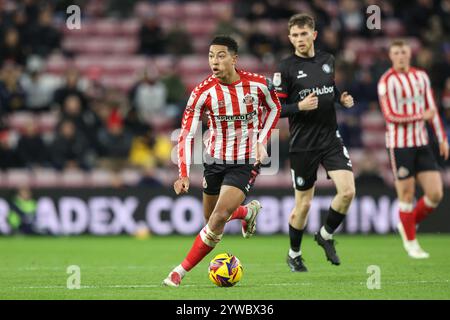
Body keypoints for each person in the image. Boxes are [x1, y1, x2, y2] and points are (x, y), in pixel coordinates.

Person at [162, 35, 281, 287]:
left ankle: (178, 272)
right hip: (214, 160)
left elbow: (275, 108)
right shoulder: (202, 92)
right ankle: (248, 212)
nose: (214, 61)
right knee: (212, 221)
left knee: (217, 218)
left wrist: (261, 140)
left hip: (245, 161)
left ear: (234, 58)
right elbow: (186, 133)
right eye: (210, 56)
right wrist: (183, 173)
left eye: (220, 55)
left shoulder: (259, 85)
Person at [274, 14, 355, 272]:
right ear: (290, 38)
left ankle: (325, 235)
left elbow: (329, 90)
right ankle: (294, 254)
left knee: (348, 192)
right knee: (304, 205)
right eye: (295, 36)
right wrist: (299, 105)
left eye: (303, 34)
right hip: (302, 145)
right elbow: (275, 110)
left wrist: (340, 99)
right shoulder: (284, 69)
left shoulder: (327, 60)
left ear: (314, 35)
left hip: (330, 138)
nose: (299, 39)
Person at [377, 39, 449, 259]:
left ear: (410, 54)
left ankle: (406, 224)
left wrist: (442, 138)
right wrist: (420, 116)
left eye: (404, 52)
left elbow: (432, 110)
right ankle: (411, 243)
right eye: (396, 52)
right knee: (406, 195)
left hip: (421, 143)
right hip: (400, 146)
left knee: (435, 194)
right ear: (391, 56)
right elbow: (390, 116)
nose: (400, 56)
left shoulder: (421, 76)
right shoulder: (386, 81)